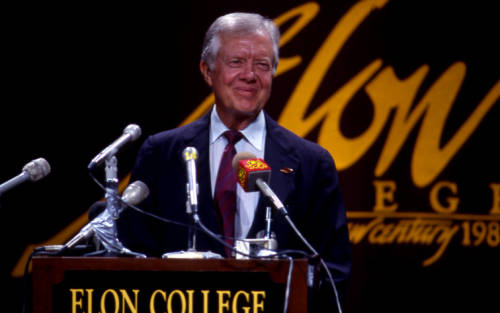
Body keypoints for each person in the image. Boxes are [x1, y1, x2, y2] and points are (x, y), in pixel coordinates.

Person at [117, 12, 351, 310]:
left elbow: (334, 271)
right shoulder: (161, 154)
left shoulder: (311, 162)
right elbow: (135, 257)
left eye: (262, 65)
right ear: (207, 70)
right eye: (236, 62)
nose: (250, 75)